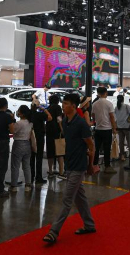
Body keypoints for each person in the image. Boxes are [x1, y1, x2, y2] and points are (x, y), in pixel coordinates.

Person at [43, 94, 96, 244]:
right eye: (63, 103)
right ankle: (89, 225)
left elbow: (91, 146)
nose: (63, 105)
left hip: (79, 166)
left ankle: (54, 231)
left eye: (66, 103)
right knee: (80, 197)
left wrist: (90, 165)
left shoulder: (81, 124)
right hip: (69, 164)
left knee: (67, 199)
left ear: (73, 106)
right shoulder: (65, 121)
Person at [92, 87, 117, 172]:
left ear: (98, 93)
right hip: (107, 129)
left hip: (98, 129)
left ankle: (94, 165)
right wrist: (114, 128)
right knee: (107, 148)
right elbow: (112, 116)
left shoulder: (94, 104)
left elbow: (93, 116)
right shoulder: (109, 103)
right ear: (106, 93)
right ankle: (107, 166)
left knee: (97, 148)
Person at [10, 105, 33, 192]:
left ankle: (14, 186)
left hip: (18, 144)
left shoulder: (19, 123)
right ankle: (28, 185)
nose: (17, 112)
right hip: (27, 144)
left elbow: (12, 131)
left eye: (19, 111)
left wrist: (12, 120)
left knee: (15, 166)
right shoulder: (30, 123)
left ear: (22, 114)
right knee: (26, 166)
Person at [43, 95, 64, 178]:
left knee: (50, 152)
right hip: (56, 131)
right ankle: (61, 172)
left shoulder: (48, 108)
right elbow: (59, 119)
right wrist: (62, 129)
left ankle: (50, 171)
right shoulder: (57, 107)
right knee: (60, 151)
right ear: (57, 101)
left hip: (49, 131)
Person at [30, 100, 48, 184]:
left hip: (31, 137)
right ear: (38, 106)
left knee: (31, 158)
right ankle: (38, 177)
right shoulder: (40, 115)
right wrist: (43, 109)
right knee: (39, 157)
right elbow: (50, 117)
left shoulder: (28, 114)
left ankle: (31, 176)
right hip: (39, 137)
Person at [114, 94, 130, 161]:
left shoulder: (116, 107)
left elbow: (115, 117)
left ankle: (122, 156)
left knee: (121, 142)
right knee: (129, 141)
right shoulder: (126, 106)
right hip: (126, 126)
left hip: (119, 126)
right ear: (123, 99)